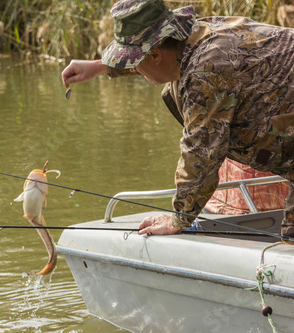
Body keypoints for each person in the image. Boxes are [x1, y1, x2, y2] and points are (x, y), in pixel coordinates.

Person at [61, 0, 294, 243]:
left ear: (155, 54)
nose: (135, 70)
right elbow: (156, 58)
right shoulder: (199, 36)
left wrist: (178, 219)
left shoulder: (205, 72)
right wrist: (102, 66)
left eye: (134, 63)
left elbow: (201, 154)